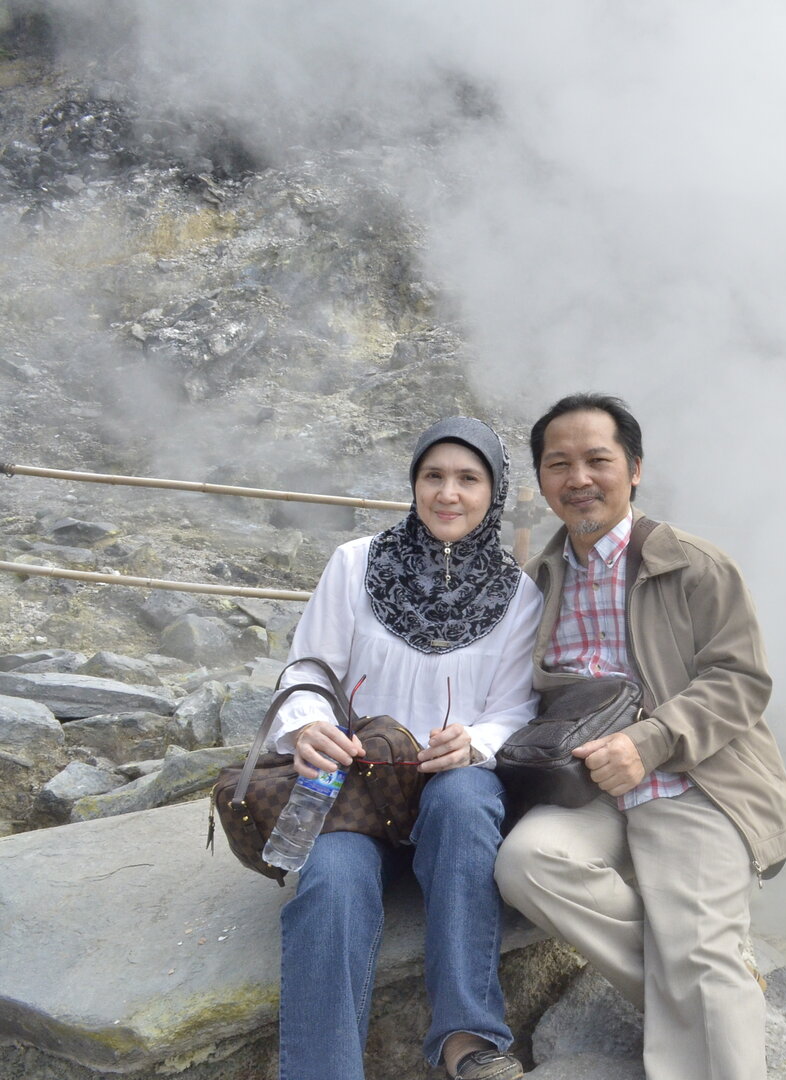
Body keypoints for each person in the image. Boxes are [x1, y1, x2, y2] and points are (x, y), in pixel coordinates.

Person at [494, 393, 786, 1080]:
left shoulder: (694, 565)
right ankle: (713, 989)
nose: (579, 479)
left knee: (698, 947)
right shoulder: (536, 584)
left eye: (597, 460)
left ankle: (708, 985)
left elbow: (741, 680)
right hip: (586, 792)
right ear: (541, 480)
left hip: (694, 778)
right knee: (526, 865)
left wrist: (648, 743)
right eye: (558, 464)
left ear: (633, 470)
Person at [270, 416, 541, 1080]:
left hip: (449, 791)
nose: (449, 494)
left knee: (466, 798)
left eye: (468, 479)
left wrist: (474, 742)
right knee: (331, 883)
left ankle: (468, 1041)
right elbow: (308, 668)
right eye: (433, 476)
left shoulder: (519, 596)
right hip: (357, 785)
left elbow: (515, 709)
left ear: (494, 492)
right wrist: (306, 725)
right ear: (413, 483)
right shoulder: (355, 563)